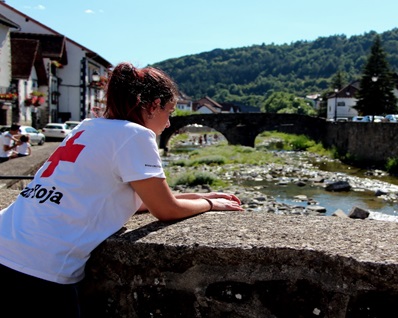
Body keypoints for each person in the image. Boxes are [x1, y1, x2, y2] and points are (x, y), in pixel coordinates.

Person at [0, 62, 244, 317]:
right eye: (169, 111)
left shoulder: (87, 127)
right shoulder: (136, 134)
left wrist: (199, 196)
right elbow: (165, 210)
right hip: (38, 265)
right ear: (154, 104)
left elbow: (134, 201)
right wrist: (210, 205)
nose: (170, 123)